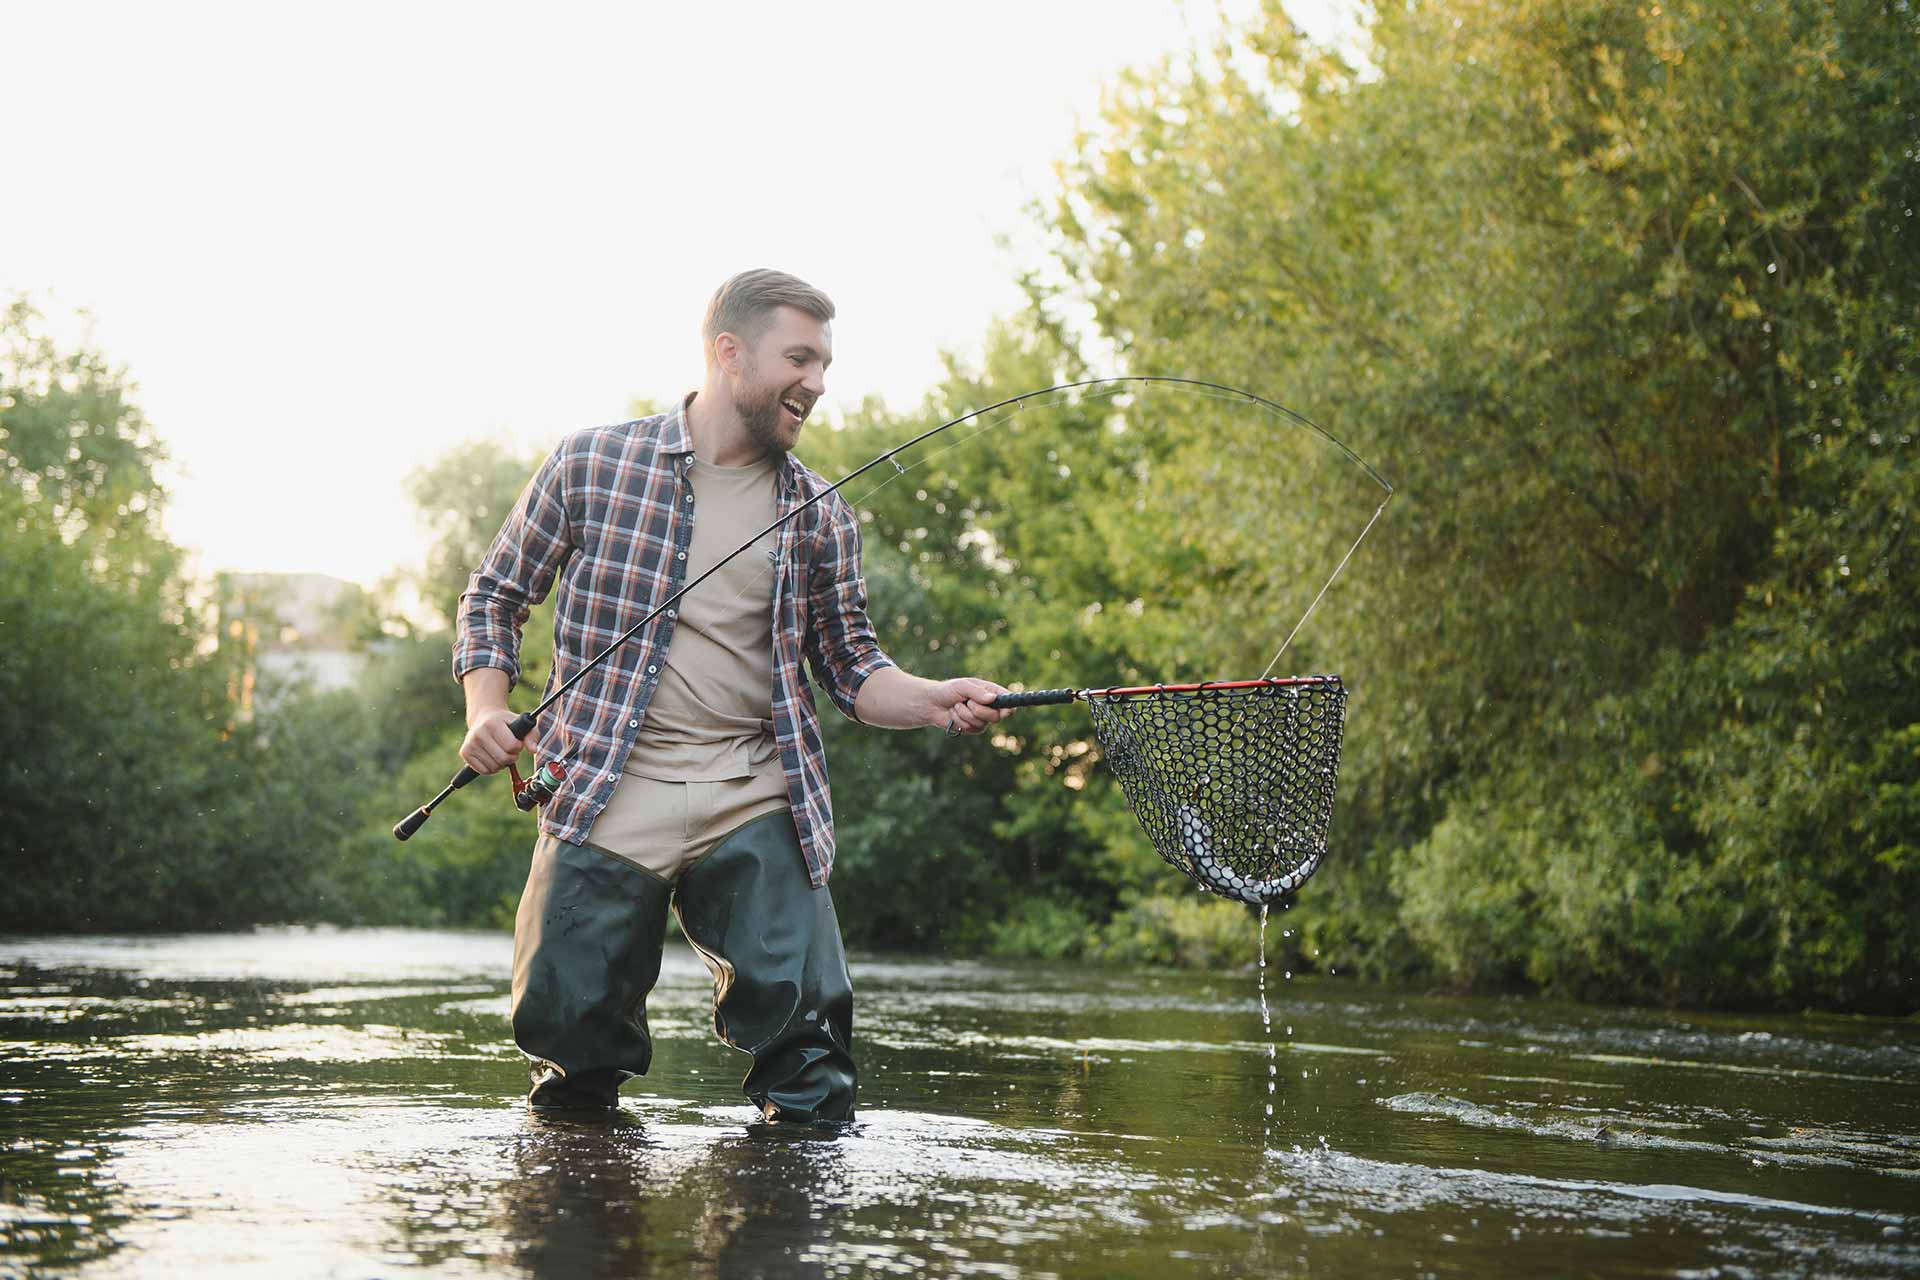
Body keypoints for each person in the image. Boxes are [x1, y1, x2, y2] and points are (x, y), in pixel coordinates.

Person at [453, 268, 1012, 1124]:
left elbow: (853, 669)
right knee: (571, 1065)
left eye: (824, 365)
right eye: (799, 359)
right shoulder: (593, 462)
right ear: (728, 352)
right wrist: (487, 711)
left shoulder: (821, 512)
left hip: (753, 791)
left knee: (812, 1064)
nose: (816, 384)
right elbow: (495, 594)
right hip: (604, 784)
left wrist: (934, 698)